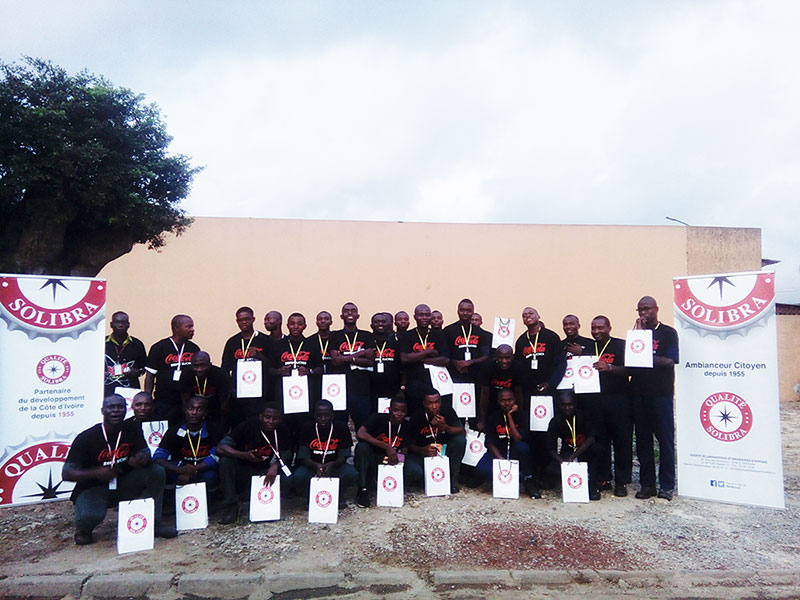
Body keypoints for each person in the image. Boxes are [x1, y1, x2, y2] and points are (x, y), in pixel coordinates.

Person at [62, 394, 176, 545]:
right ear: (103, 411)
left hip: (123, 482)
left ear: (126, 409)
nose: (115, 411)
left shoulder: (132, 429)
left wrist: (142, 458)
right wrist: (97, 473)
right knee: (91, 515)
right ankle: (84, 529)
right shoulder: (87, 437)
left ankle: (153, 522)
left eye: (120, 407)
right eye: (111, 407)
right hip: (94, 486)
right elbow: (67, 473)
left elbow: (145, 452)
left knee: (156, 471)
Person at [630, 296, 679, 501]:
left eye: (647, 308)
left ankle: (666, 485)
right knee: (643, 442)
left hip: (661, 395)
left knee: (665, 441)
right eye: (640, 309)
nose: (643, 313)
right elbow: (630, 361)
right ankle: (647, 484)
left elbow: (670, 361)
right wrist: (638, 336)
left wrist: (645, 357)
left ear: (656, 309)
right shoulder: (635, 335)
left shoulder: (668, 333)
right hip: (639, 394)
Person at [216, 403, 294, 524]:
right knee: (226, 461)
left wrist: (275, 466)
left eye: (275, 418)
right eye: (267, 417)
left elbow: (286, 455)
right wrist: (243, 455)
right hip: (244, 467)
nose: (271, 421)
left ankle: (273, 502)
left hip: (266, 470)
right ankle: (230, 505)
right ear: (260, 416)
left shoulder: (282, 430)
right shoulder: (247, 426)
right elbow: (220, 448)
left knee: (288, 478)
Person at [514, 307, 566, 482]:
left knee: (548, 432)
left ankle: (549, 472)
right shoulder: (521, 341)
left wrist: (550, 384)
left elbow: (561, 364)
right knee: (532, 432)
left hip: (548, 393)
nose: (527, 317)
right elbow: (519, 368)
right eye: (524, 315)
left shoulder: (551, 337)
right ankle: (534, 472)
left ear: (538, 316)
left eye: (531, 314)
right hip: (530, 394)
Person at [588, 315, 632, 497]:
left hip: (619, 400)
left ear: (609, 328)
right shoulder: (588, 348)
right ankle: (604, 478)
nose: (596, 331)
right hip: (596, 401)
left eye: (600, 328)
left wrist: (610, 368)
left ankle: (622, 481)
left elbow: (631, 370)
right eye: (593, 328)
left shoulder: (621, 345)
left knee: (622, 441)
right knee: (601, 441)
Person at [472, 389, 538, 497]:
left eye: (510, 400)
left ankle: (527, 480)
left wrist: (510, 416)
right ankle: (495, 479)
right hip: (499, 452)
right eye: (503, 400)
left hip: (516, 451)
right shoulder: (493, 416)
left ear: (515, 400)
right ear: (498, 401)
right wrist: (500, 460)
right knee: (481, 469)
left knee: (523, 448)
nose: (507, 403)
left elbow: (517, 437)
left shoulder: (522, 415)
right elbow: (490, 442)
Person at [293, 400, 358, 508]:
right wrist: (316, 466)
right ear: (314, 416)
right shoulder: (307, 427)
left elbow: (344, 455)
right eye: (319, 415)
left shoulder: (341, 427)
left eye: (326, 415)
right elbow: (303, 456)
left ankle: (338, 495)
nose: (323, 419)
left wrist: (332, 465)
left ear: (332, 415)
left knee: (351, 473)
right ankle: (311, 498)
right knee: (298, 476)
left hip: (335, 466)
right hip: (312, 467)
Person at [354, 396, 416, 507]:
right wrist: (387, 447)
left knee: (415, 471)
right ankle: (362, 489)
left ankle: (391, 485)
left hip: (391, 459)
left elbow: (405, 448)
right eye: (396, 410)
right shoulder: (378, 418)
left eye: (403, 411)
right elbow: (360, 433)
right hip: (373, 457)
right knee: (362, 447)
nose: (399, 414)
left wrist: (399, 459)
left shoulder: (406, 425)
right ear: (389, 410)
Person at [269, 313, 323, 437]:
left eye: (299, 324)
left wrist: (309, 371)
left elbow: (320, 369)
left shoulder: (312, 345)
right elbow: (269, 369)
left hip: (306, 397)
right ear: (287, 325)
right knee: (285, 431)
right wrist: (279, 371)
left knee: (303, 430)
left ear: (305, 326)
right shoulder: (278, 345)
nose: (296, 327)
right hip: (283, 396)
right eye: (292, 324)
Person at [153, 396, 222, 488]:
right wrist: (179, 470)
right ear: (185, 410)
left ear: (205, 412)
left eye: (199, 409)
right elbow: (158, 457)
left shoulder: (213, 430)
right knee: (164, 473)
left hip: (202, 469)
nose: (194, 412)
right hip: (179, 469)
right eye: (190, 409)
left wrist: (193, 471)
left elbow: (215, 457)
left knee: (211, 477)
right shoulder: (173, 431)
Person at [220, 306, 272, 427]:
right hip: (239, 392)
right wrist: (231, 388)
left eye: (247, 319)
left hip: (259, 393)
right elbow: (225, 368)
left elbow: (273, 366)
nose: (244, 322)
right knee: (239, 424)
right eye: (241, 320)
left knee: (256, 424)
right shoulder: (232, 342)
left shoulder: (265, 340)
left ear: (253, 319)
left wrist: (260, 357)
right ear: (237, 321)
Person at [144, 314, 200, 425]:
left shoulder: (194, 348)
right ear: (176, 328)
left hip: (187, 401)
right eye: (188, 326)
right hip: (164, 401)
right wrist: (147, 399)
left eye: (192, 326)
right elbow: (150, 375)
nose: (192, 330)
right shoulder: (159, 347)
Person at [545, 391, 601, 501]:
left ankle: (592, 486)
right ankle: (563, 483)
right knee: (551, 470)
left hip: (584, 452)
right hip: (567, 454)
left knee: (597, 449)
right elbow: (550, 447)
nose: (567, 408)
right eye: (563, 405)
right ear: (559, 405)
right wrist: (561, 461)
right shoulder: (556, 421)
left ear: (574, 404)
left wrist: (574, 456)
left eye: (569, 405)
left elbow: (591, 438)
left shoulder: (583, 416)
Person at [407, 391, 466, 493]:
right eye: (430, 403)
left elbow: (462, 431)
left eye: (437, 402)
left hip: (444, 452)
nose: (434, 407)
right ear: (424, 403)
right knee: (415, 470)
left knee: (460, 441)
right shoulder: (417, 416)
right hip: (425, 454)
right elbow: (409, 444)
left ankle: (452, 481)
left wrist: (445, 427)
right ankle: (426, 481)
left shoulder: (447, 410)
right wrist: (423, 450)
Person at [329, 302, 376, 429]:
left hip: (362, 389)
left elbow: (370, 361)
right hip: (340, 389)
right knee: (339, 427)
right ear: (341, 316)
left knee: (362, 427)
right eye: (346, 311)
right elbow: (335, 361)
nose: (350, 313)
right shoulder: (335, 335)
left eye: (353, 311)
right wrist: (361, 353)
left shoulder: (367, 335)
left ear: (358, 316)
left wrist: (344, 358)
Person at [399, 304, 450, 415]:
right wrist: (428, 352)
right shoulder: (407, 336)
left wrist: (419, 358)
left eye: (427, 315)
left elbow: (446, 360)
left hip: (436, 382)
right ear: (415, 317)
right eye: (421, 315)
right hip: (414, 382)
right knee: (416, 415)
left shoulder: (438, 335)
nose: (424, 318)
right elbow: (404, 358)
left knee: (436, 414)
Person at [443, 298, 491, 388]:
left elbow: (486, 355)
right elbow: (444, 354)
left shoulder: (480, 332)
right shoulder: (448, 331)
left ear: (473, 312)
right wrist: (456, 363)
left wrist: (471, 362)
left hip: (476, 374)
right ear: (458, 311)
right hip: (454, 374)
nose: (465, 313)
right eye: (462, 310)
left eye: (469, 311)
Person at [179, 351, 231, 431]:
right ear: (191, 365)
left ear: (210, 364)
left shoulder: (220, 375)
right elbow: (185, 402)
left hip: (215, 409)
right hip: (195, 410)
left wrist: (222, 427)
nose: (199, 369)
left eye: (203, 365)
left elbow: (224, 405)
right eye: (196, 366)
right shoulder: (186, 374)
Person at [478, 344, 524, 430]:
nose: (504, 361)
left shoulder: (518, 367)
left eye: (507, 357)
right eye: (501, 358)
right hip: (492, 402)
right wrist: (482, 419)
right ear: (496, 357)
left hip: (510, 403)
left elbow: (518, 392)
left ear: (512, 357)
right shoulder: (488, 367)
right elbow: (484, 394)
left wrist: (519, 411)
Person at [104, 311, 147, 397]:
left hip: (130, 390)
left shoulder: (137, 344)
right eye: (117, 322)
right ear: (111, 325)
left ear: (128, 325)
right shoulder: (102, 343)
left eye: (123, 322)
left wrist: (136, 372)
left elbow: (144, 367)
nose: (120, 325)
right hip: (106, 390)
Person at [370, 312, 405, 410]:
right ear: (371, 325)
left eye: (383, 321)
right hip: (371, 390)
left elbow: (403, 368)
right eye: (377, 322)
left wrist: (402, 388)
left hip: (393, 389)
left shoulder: (396, 343)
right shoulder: (368, 342)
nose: (380, 324)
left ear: (388, 324)